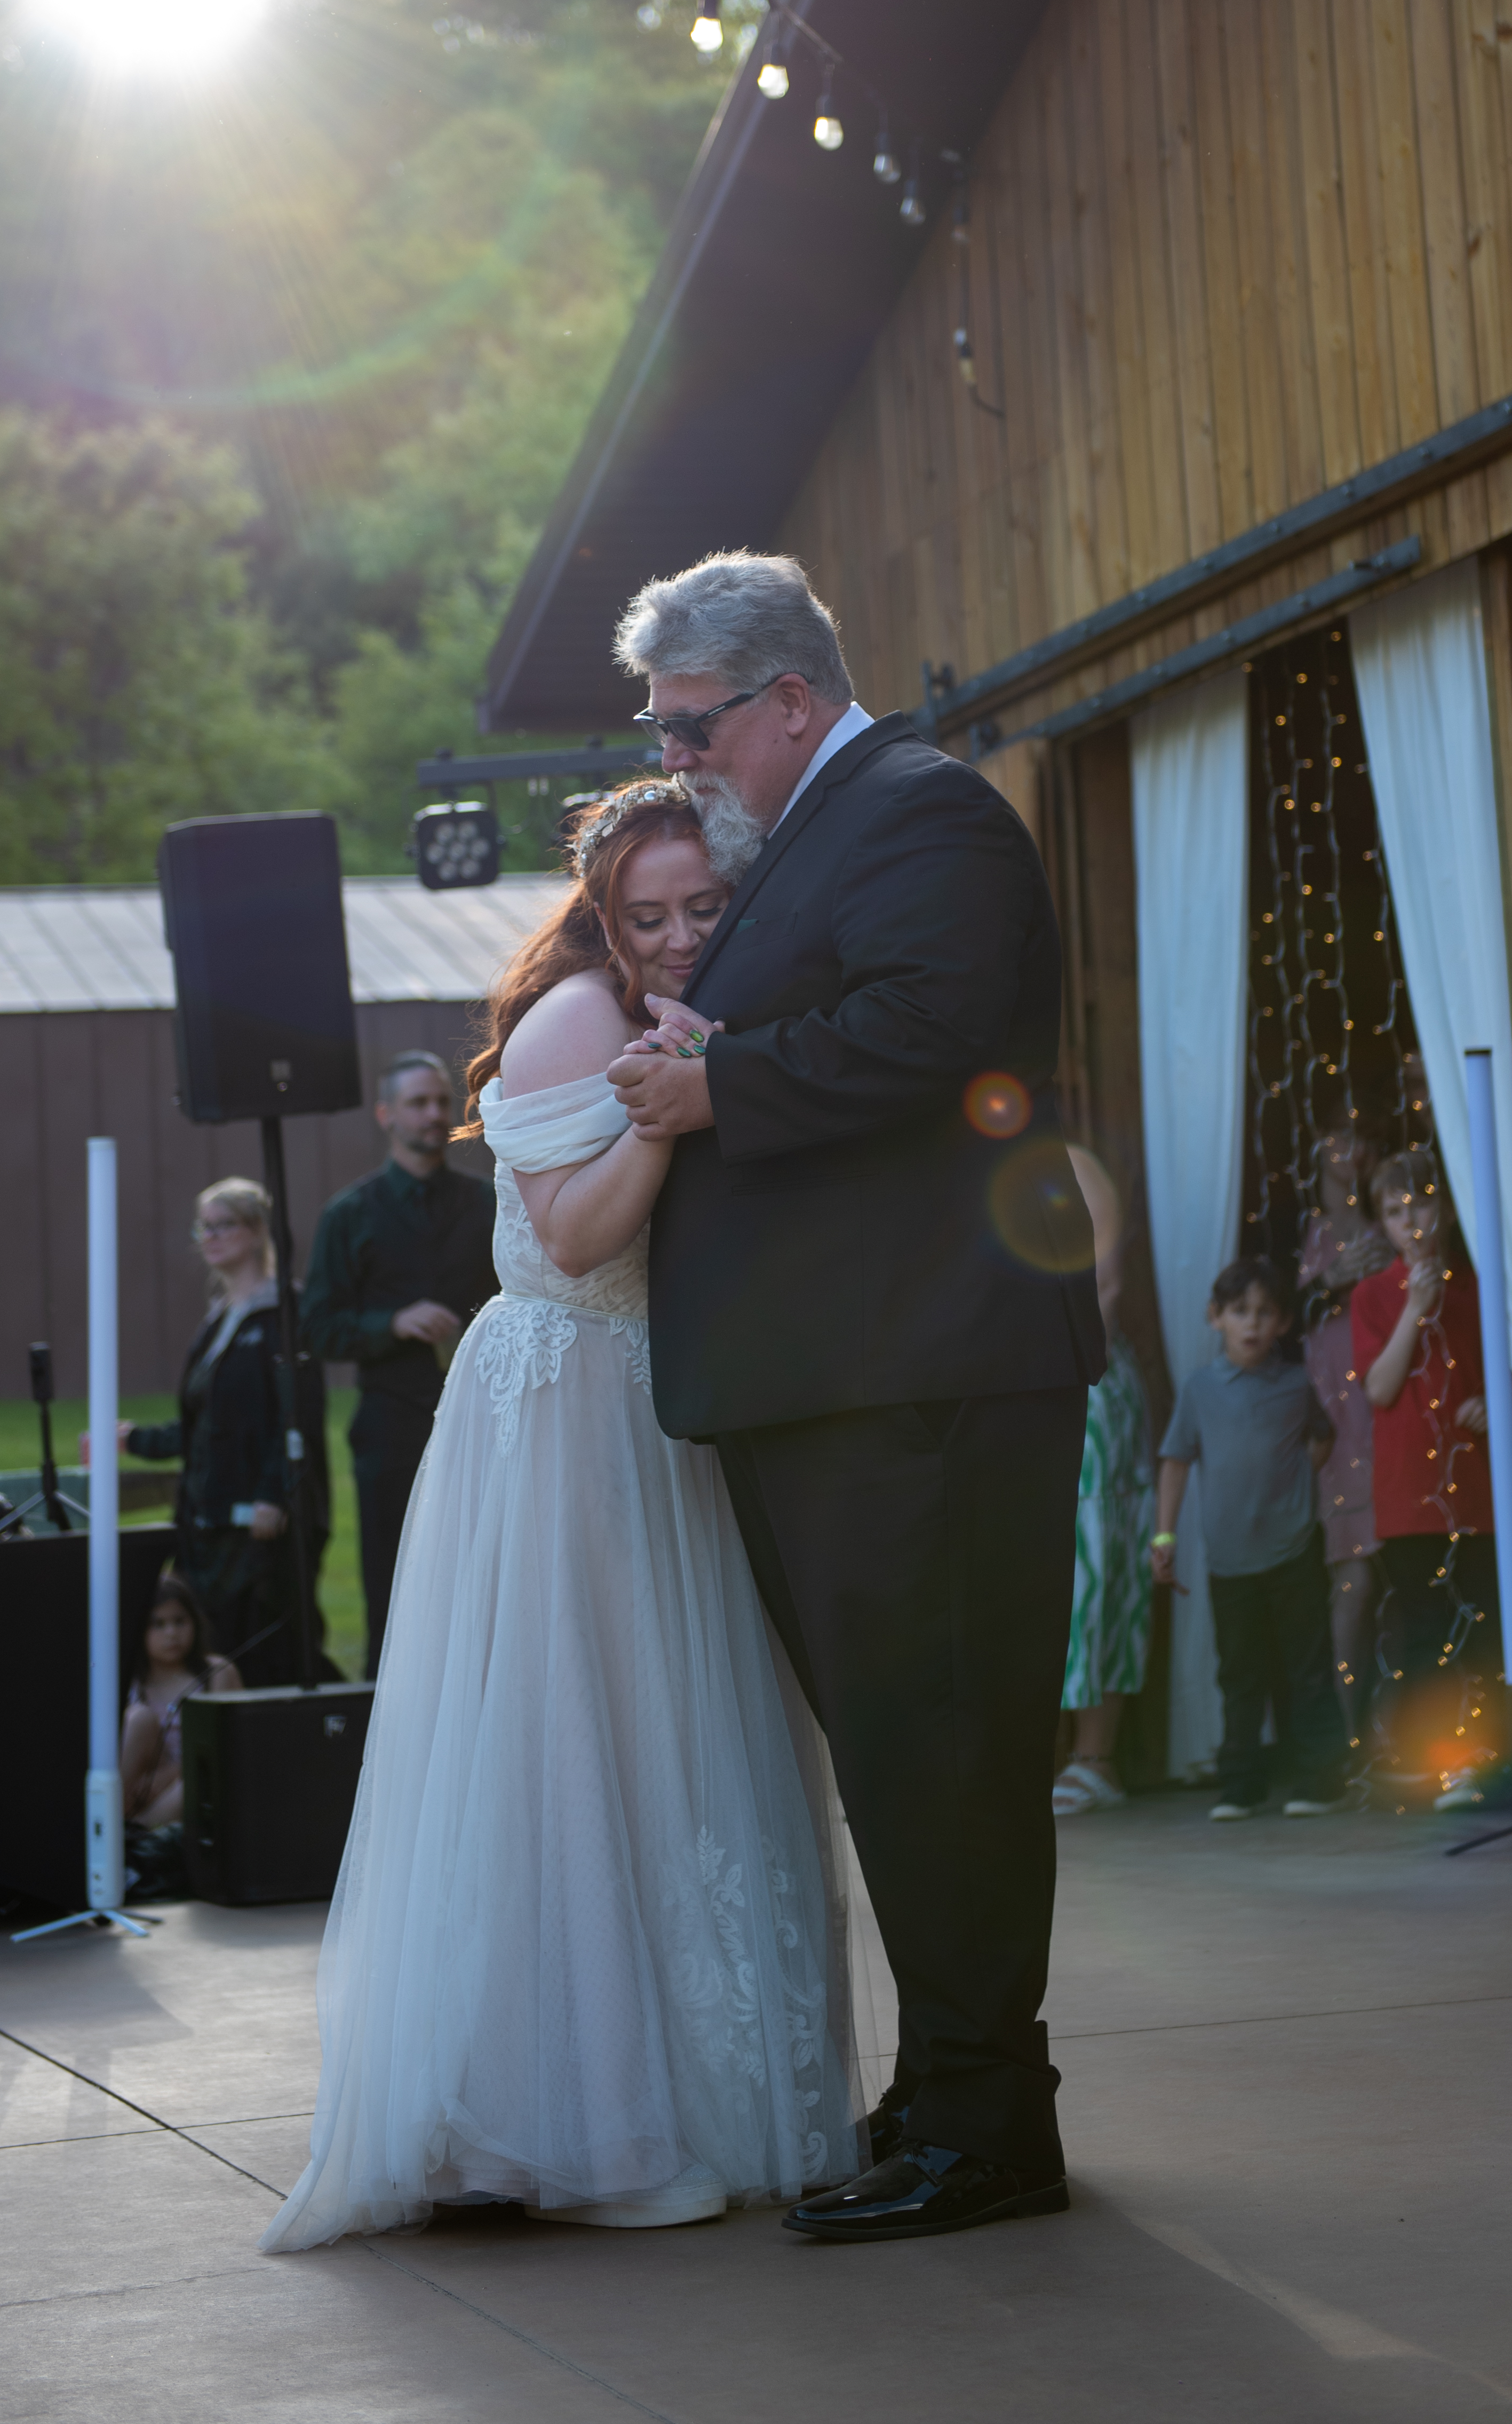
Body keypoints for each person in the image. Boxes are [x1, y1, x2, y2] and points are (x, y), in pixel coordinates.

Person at [262, 783, 860, 2251]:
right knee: (572, 1742)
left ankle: (695, 2097)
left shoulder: (721, 1001)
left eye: (702, 907)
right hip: (565, 1407)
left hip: (661, 1409)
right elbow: (577, 1233)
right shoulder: (576, 1022)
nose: (678, 934)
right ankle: (569, 2116)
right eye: (646, 914)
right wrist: (665, 1106)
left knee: (674, 1745)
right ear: (601, 914)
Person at [604, 552, 1105, 2246]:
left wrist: (719, 1082)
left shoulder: (915, 808)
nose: (675, 761)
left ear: (790, 697)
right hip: (861, 1376)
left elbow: (933, 1027)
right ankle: (959, 2089)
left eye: (691, 728)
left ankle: (987, 2126)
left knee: (943, 1753)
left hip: (922, 1378)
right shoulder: (825, 825)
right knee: (908, 1758)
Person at [303, 1052, 500, 1675]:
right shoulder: (349, 1215)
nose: (434, 1114)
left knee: (483, 1579)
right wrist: (391, 1322)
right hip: (390, 1426)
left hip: (481, 1420)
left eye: (442, 1101)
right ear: (385, 1114)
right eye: (418, 1103)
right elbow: (317, 1328)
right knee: (391, 1580)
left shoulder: (488, 1203)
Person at [110, 1179, 329, 1687]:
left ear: (256, 1232)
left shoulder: (284, 1315)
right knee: (212, 1652)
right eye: (203, 1228)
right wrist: (132, 1440)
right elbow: (206, 1426)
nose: (210, 1238)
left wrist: (272, 1495)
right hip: (205, 1527)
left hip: (260, 1532)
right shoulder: (218, 1321)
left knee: (267, 1651)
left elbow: (297, 1416)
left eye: (224, 1225)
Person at [1150, 1257, 1346, 1819]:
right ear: (1215, 1317)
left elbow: (1322, 1438)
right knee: (1239, 1674)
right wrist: (1164, 1536)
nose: (1252, 1323)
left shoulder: (1296, 1383)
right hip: (1229, 1562)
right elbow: (1175, 1461)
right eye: (1240, 1311)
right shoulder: (1199, 1389)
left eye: (1264, 1312)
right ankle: (1240, 1786)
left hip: (1294, 1552)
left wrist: (1295, 1488)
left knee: (1308, 1668)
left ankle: (1321, 1781)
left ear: (1282, 1321)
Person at [1350, 1147, 1500, 1810]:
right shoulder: (1371, 1295)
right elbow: (1379, 1388)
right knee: (1424, 1631)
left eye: (1421, 1203)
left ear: (1448, 1207)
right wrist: (1415, 1306)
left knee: (1483, 1628)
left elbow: (1507, 1375)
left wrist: (1495, 1403)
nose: (1410, 1221)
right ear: (1379, 1223)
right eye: (1393, 1211)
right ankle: (1435, 1762)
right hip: (1409, 1492)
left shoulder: (1480, 1285)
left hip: (1477, 1488)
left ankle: (1486, 1759)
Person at [1052, 1145, 1156, 1820]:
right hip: (1027, 1390)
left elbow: (1107, 1283)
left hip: (1084, 1380)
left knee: (1095, 1564)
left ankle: (1096, 1757)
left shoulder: (1072, 1163)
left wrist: (1072, 1372)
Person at [1296, 1109, 1392, 1759]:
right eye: (1338, 1132)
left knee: (1397, 1579)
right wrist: (1332, 1281)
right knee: (1350, 1583)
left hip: (1387, 1407)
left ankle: (1392, 1727)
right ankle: (1343, 1730)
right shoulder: (1299, 1229)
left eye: (1361, 1133)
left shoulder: (1392, 1218)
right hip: (1333, 1422)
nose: (1349, 1146)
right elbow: (1279, 1314)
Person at [121, 1573, 238, 1895]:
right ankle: (111, 1831)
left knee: (193, 1783)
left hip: (192, 1790)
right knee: (140, 1719)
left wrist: (165, 1777)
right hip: (137, 1791)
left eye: (179, 1621)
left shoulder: (215, 1673)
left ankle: (133, 1851)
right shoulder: (131, 1683)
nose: (171, 1633)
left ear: (195, 1622)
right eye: (157, 1625)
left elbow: (225, 1751)